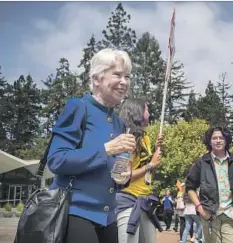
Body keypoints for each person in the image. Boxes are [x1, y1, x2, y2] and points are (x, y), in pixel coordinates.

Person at [47, 48, 136, 243]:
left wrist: (123, 176)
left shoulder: (119, 123)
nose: (124, 82)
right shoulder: (78, 107)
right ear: (97, 79)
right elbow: (56, 160)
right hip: (75, 212)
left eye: (127, 76)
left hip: (109, 217)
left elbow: (114, 173)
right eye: (117, 74)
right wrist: (107, 149)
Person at [186, 126, 233, 243]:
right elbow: (190, 187)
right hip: (209, 214)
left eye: (221, 137)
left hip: (230, 214)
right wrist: (199, 207)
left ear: (226, 140)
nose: (218, 140)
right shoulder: (202, 162)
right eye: (214, 138)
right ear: (209, 142)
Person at [115, 98, 164, 243]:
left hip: (145, 202)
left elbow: (148, 174)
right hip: (127, 200)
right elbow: (120, 177)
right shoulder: (126, 138)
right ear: (138, 113)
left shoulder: (146, 138)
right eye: (147, 110)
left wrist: (155, 152)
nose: (149, 113)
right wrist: (150, 165)